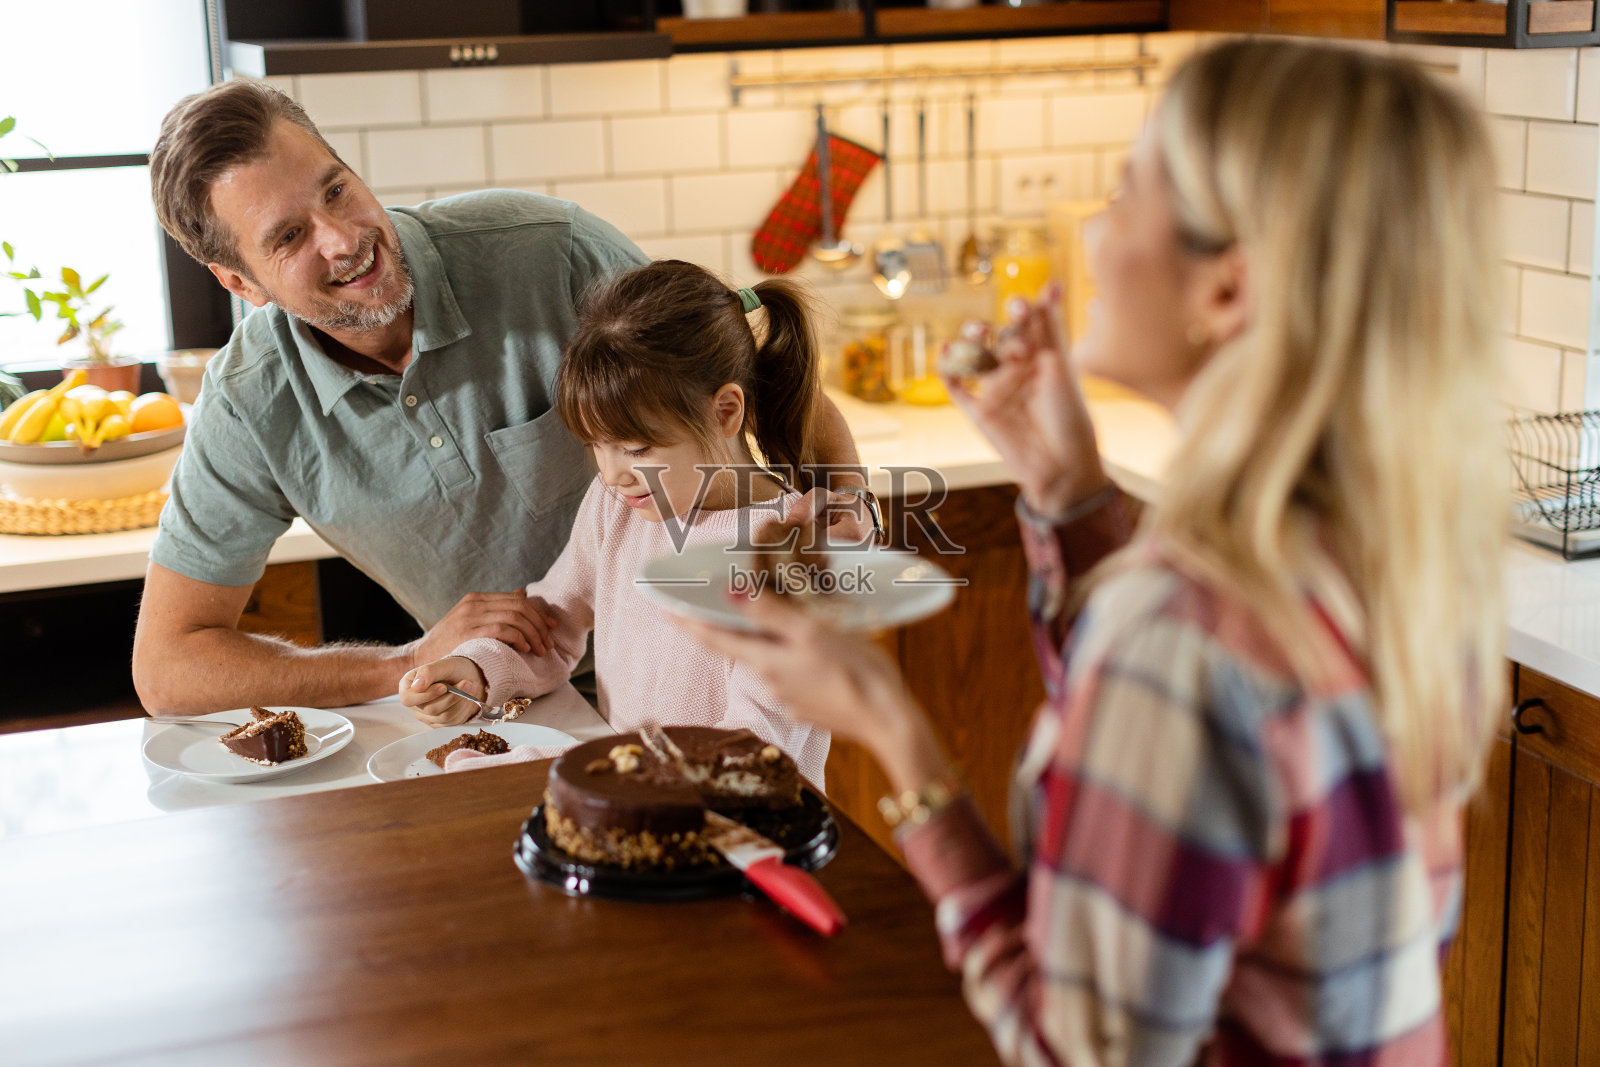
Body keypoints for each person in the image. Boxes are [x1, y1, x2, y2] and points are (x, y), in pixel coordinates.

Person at [683, 39, 1506, 1065]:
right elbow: (1188, 759)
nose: (1092, 231)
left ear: (1226, 291)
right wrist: (1069, 494)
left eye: (1125, 192)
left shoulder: (1182, 635)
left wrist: (894, 732)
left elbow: (1081, 1048)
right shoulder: (1396, 556)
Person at [132, 80, 870, 716]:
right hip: (500, 690)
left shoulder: (553, 253)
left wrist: (843, 523)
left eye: (336, 189)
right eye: (291, 235)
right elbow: (167, 667)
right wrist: (406, 663)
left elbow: (755, 383)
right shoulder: (248, 401)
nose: (344, 238)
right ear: (241, 282)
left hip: (714, 676)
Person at [398, 261, 829, 782]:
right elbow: (553, 625)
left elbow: (755, 745)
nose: (611, 473)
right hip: (638, 798)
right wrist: (477, 672)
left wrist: (581, 771)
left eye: (636, 448)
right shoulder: (619, 506)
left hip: (742, 816)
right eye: (596, 446)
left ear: (725, 412)